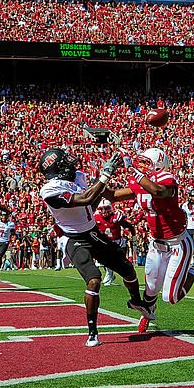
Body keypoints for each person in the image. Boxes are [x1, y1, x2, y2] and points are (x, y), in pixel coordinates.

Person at [38, 147, 150, 348]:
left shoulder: (78, 177)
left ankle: (135, 301)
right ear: (58, 168)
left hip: (93, 233)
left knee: (127, 269)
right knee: (94, 280)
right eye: (66, 162)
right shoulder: (49, 190)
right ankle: (92, 332)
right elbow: (85, 199)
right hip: (74, 238)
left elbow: (96, 201)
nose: (72, 163)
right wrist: (105, 175)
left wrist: (137, 188)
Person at [107, 147, 194, 334]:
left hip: (178, 243)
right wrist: (101, 180)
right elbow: (113, 196)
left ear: (159, 165)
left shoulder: (166, 179)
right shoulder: (142, 181)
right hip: (156, 243)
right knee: (151, 288)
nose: (142, 166)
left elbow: (159, 192)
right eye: (141, 162)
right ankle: (148, 312)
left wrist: (134, 173)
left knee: (171, 297)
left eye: (147, 163)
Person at [94, 200, 134, 285]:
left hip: (117, 242)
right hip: (105, 242)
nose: (104, 211)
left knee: (121, 263)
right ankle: (110, 274)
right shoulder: (96, 217)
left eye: (106, 208)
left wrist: (133, 234)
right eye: (102, 209)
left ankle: (126, 275)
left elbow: (128, 225)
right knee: (106, 259)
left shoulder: (116, 216)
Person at [0, 211, 16, 277]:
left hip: (5, 241)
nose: (4, 217)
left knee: (0, 256)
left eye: (5, 215)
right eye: (3, 215)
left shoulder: (10, 224)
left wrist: (12, 240)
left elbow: (13, 232)